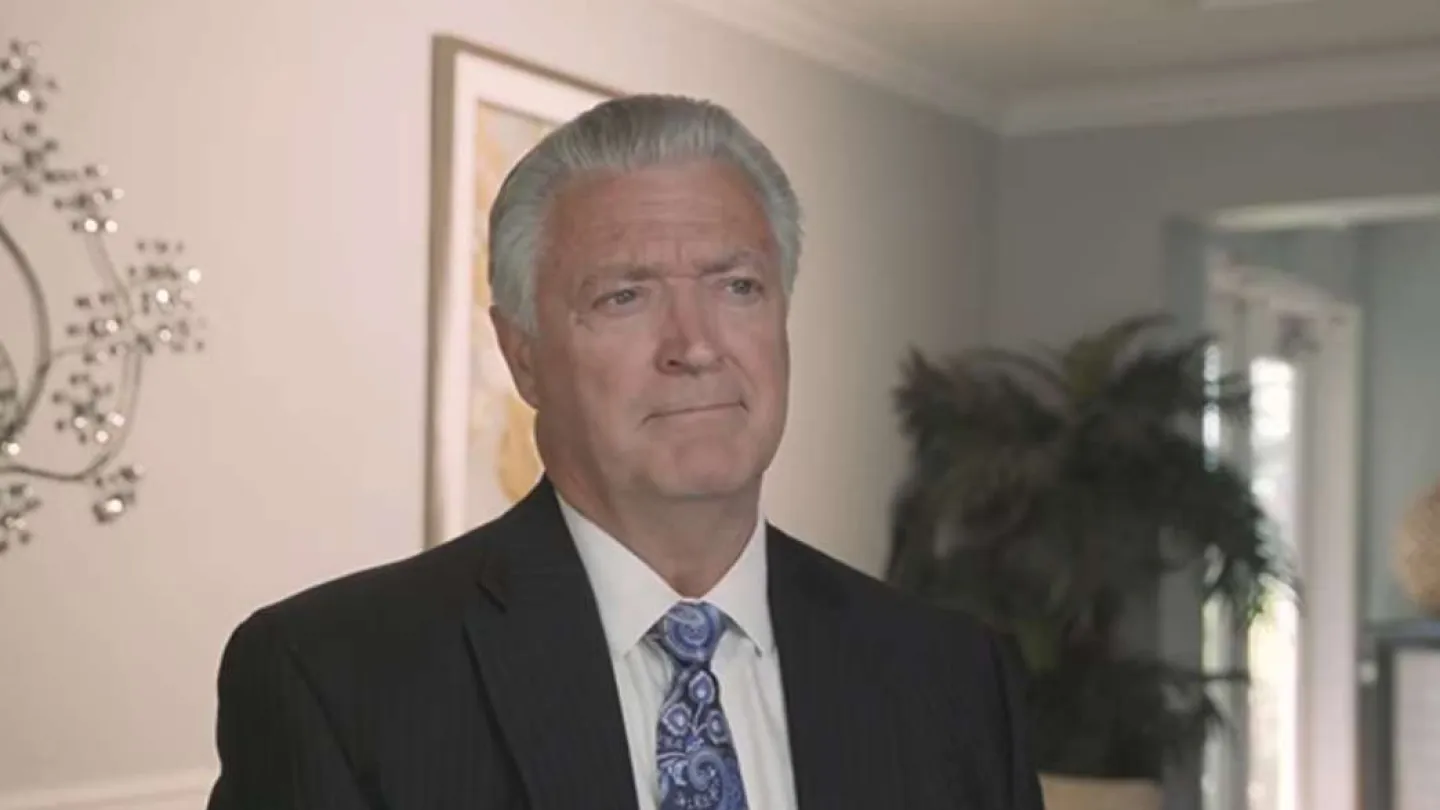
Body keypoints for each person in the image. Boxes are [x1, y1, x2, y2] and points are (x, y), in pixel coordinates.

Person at [205, 94, 1044, 810]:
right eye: (624, 296)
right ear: (522, 353)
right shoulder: (333, 678)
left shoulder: (953, 676)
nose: (696, 346)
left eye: (737, 286)